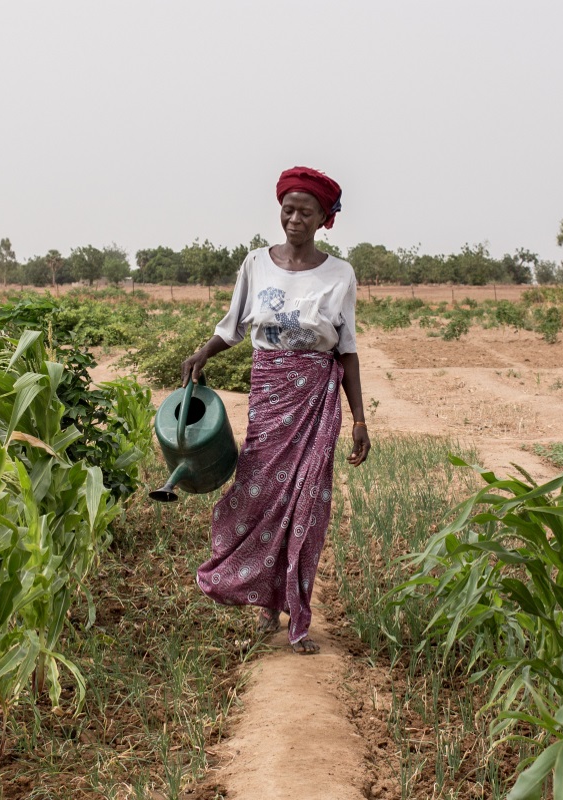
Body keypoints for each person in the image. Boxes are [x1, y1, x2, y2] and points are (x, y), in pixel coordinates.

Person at [181, 166, 370, 655]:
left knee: (307, 506)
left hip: (316, 401)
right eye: (288, 209)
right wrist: (203, 352)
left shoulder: (340, 274)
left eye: (306, 212)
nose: (294, 219)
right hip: (269, 395)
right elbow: (233, 327)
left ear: (325, 218)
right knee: (257, 495)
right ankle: (264, 595)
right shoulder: (255, 264)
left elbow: (346, 349)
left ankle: (297, 617)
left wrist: (360, 420)